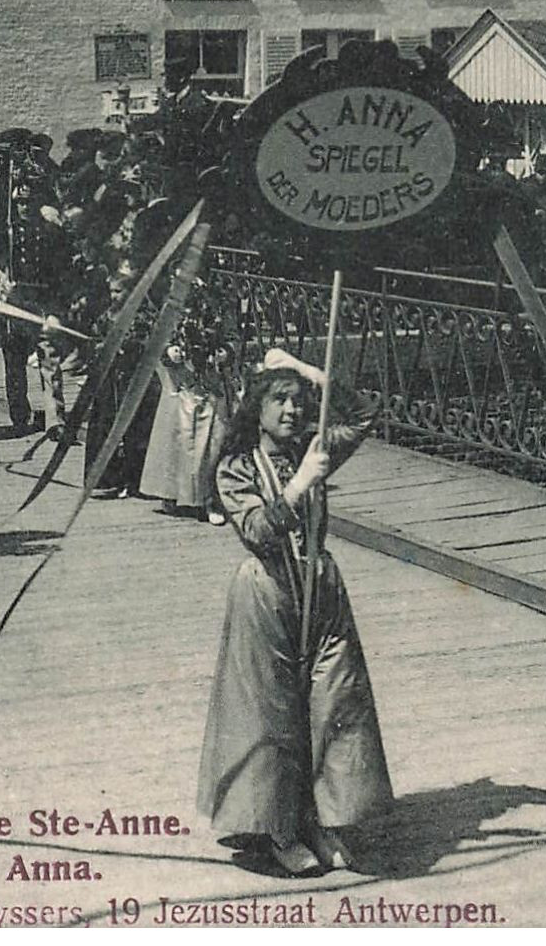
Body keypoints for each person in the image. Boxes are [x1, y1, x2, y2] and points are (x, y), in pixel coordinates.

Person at [198, 348, 391, 875]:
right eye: (279, 399)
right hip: (268, 592)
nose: (291, 410)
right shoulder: (236, 466)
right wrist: (301, 482)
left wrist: (309, 371)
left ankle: (321, 819)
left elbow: (367, 410)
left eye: (299, 401)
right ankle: (279, 829)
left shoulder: (315, 447)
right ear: (256, 408)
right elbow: (258, 530)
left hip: (321, 588)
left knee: (333, 702)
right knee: (275, 711)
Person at [139, 341, 228, 525]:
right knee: (176, 440)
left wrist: (225, 351)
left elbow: (232, 336)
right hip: (180, 386)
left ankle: (210, 499)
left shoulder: (219, 314)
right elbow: (152, 339)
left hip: (211, 384)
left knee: (212, 443)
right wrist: (168, 351)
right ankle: (171, 493)